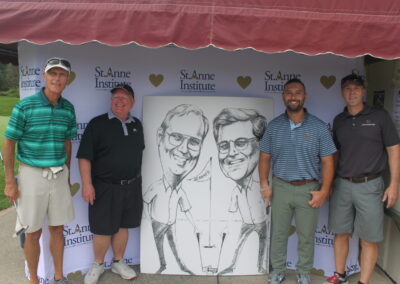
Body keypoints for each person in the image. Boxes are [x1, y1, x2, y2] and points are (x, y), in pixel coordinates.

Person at [3, 57, 76, 284]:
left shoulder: (68, 108)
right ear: (44, 76)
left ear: (67, 79)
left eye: (61, 74)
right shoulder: (25, 106)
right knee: (32, 231)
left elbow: (67, 143)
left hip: (59, 173)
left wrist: (67, 173)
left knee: (57, 228)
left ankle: (58, 277)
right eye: (52, 73)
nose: (57, 78)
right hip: (31, 173)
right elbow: (9, 143)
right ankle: (34, 280)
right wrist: (9, 182)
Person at [324, 74, 400, 284]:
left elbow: (394, 150)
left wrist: (394, 185)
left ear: (364, 91)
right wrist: (329, 184)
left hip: (370, 185)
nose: (352, 92)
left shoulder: (380, 116)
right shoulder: (339, 120)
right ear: (342, 92)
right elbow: (335, 155)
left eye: (356, 88)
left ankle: (363, 282)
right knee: (340, 233)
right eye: (347, 88)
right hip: (342, 184)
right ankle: (339, 276)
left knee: (369, 239)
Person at [259, 78, 336, 284]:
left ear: (305, 96)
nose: (293, 96)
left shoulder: (319, 127)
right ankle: (278, 271)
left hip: (309, 188)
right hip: (281, 187)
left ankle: (303, 272)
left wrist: (324, 190)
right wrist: (265, 185)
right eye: (289, 92)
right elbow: (264, 157)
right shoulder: (274, 126)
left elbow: (328, 161)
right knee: (279, 234)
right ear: (283, 96)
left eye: (298, 92)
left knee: (306, 236)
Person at [77, 84, 144, 284]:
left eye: (124, 97)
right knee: (103, 229)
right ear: (110, 100)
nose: (119, 100)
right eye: (116, 97)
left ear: (132, 102)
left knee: (123, 226)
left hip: (131, 186)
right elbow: (84, 157)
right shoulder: (97, 124)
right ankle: (98, 264)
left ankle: (118, 261)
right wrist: (87, 184)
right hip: (104, 186)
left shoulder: (137, 124)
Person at [143, 104, 209, 274]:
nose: (183, 149)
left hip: (170, 223)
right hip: (157, 223)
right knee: (158, 247)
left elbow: (187, 210)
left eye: (194, 142)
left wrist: (195, 226)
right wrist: (148, 222)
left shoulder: (180, 192)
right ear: (159, 136)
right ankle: (161, 264)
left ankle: (180, 266)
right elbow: (145, 204)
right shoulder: (156, 186)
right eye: (176, 137)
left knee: (175, 246)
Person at [213, 108, 269, 275]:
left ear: (260, 144)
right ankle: (232, 265)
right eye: (224, 145)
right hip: (246, 223)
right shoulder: (236, 191)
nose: (231, 153)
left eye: (241, 142)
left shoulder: (265, 185)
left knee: (262, 244)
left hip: (261, 223)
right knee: (238, 243)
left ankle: (260, 267)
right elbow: (231, 213)